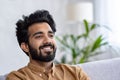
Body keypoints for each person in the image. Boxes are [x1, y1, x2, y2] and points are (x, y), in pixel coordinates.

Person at [6, 10, 90, 80]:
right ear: (25, 46)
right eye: (39, 36)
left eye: (51, 35)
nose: (47, 40)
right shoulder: (17, 77)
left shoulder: (75, 73)